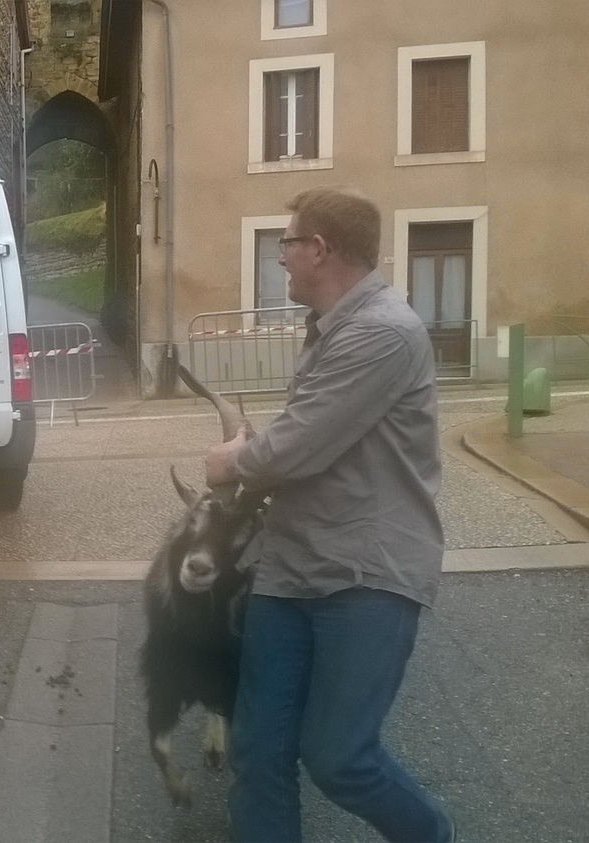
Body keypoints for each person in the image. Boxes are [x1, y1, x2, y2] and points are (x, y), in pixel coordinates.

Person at [204, 187, 454, 843]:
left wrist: (231, 462)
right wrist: (259, 456)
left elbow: (298, 444)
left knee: (339, 757)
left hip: (366, 575)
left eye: (286, 243)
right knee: (258, 753)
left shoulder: (383, 332)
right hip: (290, 570)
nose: (280, 257)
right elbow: (308, 438)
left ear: (319, 249)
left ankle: (432, 833)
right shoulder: (331, 329)